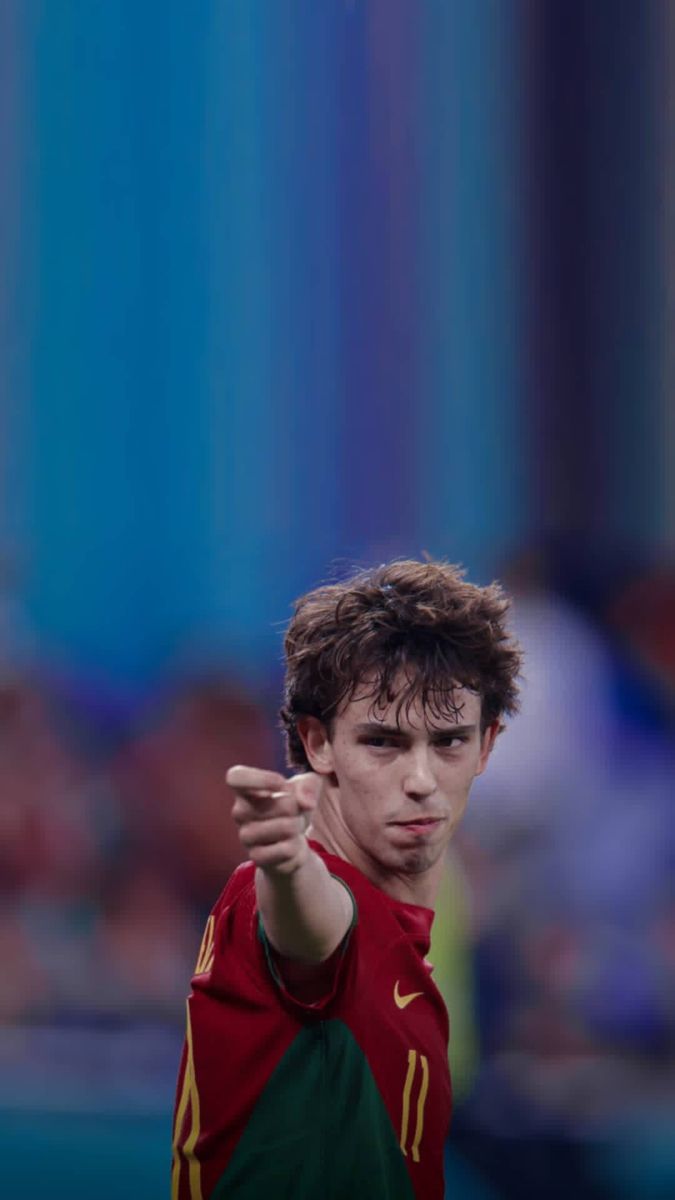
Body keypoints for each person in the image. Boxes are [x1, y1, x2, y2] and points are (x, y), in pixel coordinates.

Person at [171, 560, 522, 1200]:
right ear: (318, 742)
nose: (420, 778)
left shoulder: (416, 934)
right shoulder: (277, 890)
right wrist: (283, 861)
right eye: (383, 742)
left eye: (448, 742)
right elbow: (311, 931)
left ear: (487, 745)